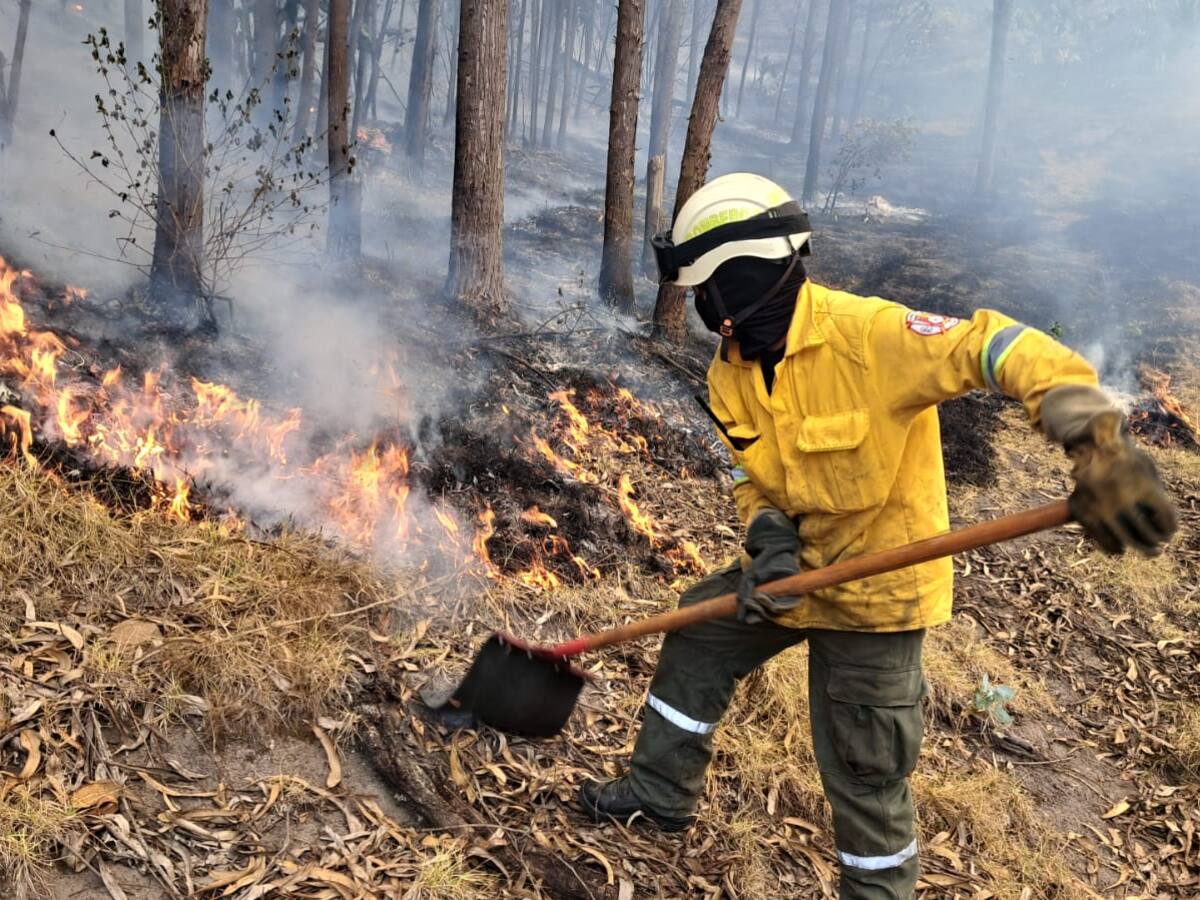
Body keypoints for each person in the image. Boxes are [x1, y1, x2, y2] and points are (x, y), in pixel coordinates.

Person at [578, 173, 1178, 898]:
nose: (703, 311)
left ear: (741, 282)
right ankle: (659, 794)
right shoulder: (731, 373)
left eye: (706, 292)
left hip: (879, 596)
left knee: (864, 768)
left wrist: (1096, 440)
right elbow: (750, 473)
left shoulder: (871, 336)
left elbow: (997, 347)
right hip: (796, 570)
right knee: (699, 635)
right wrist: (768, 539)